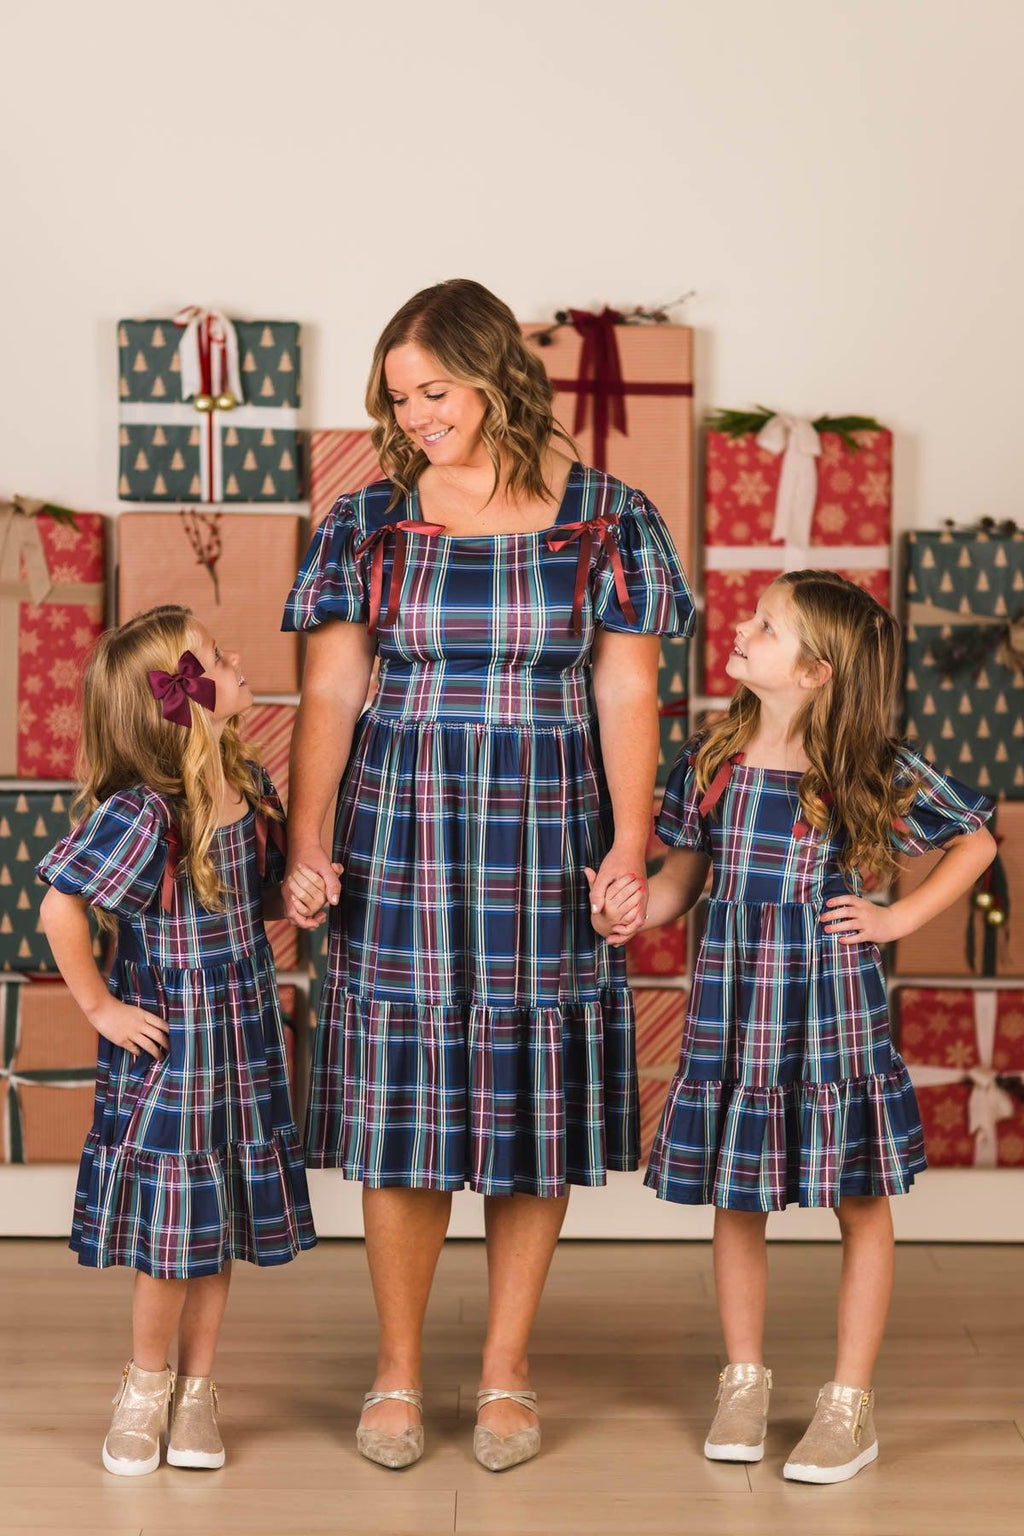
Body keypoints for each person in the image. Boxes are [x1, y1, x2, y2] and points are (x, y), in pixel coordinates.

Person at [281, 278, 694, 1470]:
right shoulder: (367, 520)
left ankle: (508, 1369)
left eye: (434, 391)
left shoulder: (609, 516)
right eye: (398, 398)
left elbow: (626, 690)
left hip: (548, 826)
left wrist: (628, 843)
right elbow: (329, 689)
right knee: (403, 1100)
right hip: (399, 826)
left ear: (496, 375)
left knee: (530, 1100)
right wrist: (308, 839)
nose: (415, 416)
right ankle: (398, 1371)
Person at [590, 570, 995, 1485]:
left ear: (816, 673)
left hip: (830, 1008)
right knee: (740, 1194)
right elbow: (681, 880)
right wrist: (631, 911)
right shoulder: (712, 758)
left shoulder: (865, 767)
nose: (741, 627)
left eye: (766, 626)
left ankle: (849, 1402)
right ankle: (743, 1380)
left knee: (861, 1199)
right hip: (736, 1010)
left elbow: (976, 837)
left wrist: (895, 918)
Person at [37, 606, 316, 1477]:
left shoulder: (246, 782)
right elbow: (59, 906)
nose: (236, 659)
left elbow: (252, 895)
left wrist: (295, 899)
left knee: (214, 1216)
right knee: (171, 1227)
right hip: (177, 1045)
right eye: (217, 657)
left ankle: (198, 1391)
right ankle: (145, 1384)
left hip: (241, 1034)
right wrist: (101, 1010)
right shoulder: (144, 814)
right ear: (184, 699)